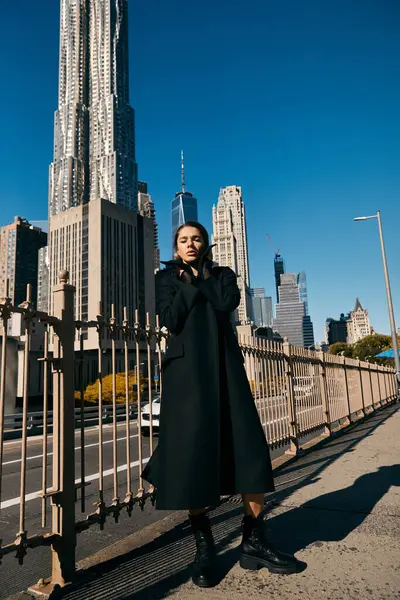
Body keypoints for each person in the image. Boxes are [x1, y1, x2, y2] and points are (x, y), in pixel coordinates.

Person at [142, 222, 304, 587]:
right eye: (183, 240)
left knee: (250, 450)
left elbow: (226, 302)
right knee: (192, 458)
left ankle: (254, 540)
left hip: (226, 368)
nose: (190, 244)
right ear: (175, 246)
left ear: (206, 244)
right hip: (186, 377)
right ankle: (204, 548)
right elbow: (170, 318)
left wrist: (199, 278)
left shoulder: (223, 274)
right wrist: (186, 281)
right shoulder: (165, 278)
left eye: (196, 239)